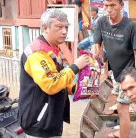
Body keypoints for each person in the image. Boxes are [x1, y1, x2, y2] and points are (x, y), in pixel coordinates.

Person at [18, 9, 90, 137]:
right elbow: (51, 84)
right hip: (39, 122)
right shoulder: (37, 53)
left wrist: (78, 89)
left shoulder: (52, 49)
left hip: (49, 119)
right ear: (45, 28)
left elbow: (59, 77)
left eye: (66, 27)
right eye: (59, 27)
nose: (64, 31)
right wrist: (75, 67)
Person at [93, 0, 136, 138]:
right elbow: (97, 45)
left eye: (113, 5)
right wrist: (97, 57)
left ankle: (123, 134)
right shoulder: (101, 22)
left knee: (122, 109)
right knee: (116, 97)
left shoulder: (131, 26)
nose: (109, 9)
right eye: (106, 5)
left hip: (128, 74)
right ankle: (121, 117)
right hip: (114, 72)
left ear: (121, 5)